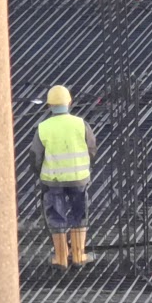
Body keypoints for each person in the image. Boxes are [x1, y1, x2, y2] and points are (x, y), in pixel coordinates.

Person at [29, 85, 98, 269]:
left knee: (56, 216)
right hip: (79, 178)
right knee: (79, 214)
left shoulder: (43, 128)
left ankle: (60, 258)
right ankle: (78, 255)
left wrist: (40, 174)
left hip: (53, 181)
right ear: (70, 102)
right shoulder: (80, 124)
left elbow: (36, 157)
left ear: (49, 105)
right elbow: (92, 148)